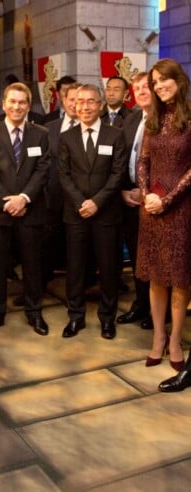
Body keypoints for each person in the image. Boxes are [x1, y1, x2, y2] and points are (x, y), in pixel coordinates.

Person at [0, 82, 51, 336]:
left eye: (22, 102)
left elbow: (43, 169)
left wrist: (24, 198)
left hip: (30, 210)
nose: (17, 106)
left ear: (28, 106)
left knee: (32, 265)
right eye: (12, 101)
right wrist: (8, 201)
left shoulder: (40, 133)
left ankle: (34, 312)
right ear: (4, 104)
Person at [134, 59, 191, 381]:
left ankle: (175, 341)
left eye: (163, 80)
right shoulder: (153, 118)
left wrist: (168, 199)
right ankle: (158, 335)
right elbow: (143, 162)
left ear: (178, 80)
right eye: (154, 82)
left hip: (182, 208)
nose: (158, 86)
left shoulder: (190, 117)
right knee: (156, 276)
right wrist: (147, 196)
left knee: (180, 278)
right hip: (152, 209)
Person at [58, 84, 127, 339]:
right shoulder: (66, 137)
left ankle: (107, 318)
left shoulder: (115, 135)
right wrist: (81, 202)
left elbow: (118, 173)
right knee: (75, 268)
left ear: (100, 105)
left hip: (106, 213)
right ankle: (75, 317)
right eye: (80, 102)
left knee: (108, 269)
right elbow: (63, 175)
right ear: (74, 106)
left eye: (91, 101)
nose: (85, 107)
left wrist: (96, 202)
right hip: (75, 214)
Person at [116, 72, 152, 329]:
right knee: (139, 260)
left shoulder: (170, 120)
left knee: (157, 262)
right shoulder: (130, 120)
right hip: (129, 200)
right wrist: (122, 191)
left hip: (157, 202)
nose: (140, 91)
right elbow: (118, 160)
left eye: (146, 86)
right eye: (136, 87)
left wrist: (148, 192)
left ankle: (158, 311)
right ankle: (140, 305)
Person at [42, 82, 80, 285]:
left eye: (79, 100)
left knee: (78, 248)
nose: (75, 104)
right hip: (53, 198)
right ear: (63, 101)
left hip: (81, 199)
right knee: (46, 245)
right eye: (71, 99)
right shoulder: (48, 129)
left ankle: (81, 287)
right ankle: (40, 285)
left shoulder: (91, 127)